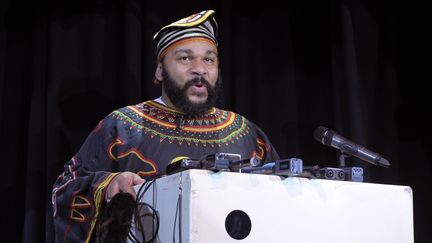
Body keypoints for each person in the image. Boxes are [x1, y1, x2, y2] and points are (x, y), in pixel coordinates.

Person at [52, 9, 279, 242]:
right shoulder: (122, 127)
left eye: (209, 59)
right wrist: (108, 185)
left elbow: (279, 207)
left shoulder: (247, 134)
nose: (199, 68)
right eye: (185, 58)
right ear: (160, 70)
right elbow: (65, 189)